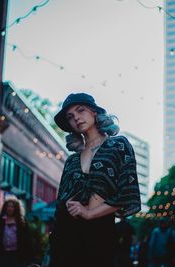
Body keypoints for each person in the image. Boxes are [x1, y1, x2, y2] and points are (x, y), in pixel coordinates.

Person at [49, 93, 141, 267]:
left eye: (80, 110)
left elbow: (128, 193)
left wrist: (89, 213)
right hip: (65, 234)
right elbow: (60, 202)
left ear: (94, 112)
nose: (76, 117)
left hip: (100, 233)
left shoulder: (118, 145)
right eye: (70, 117)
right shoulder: (72, 160)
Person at [0, 196, 34, 267]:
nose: (9, 208)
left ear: (16, 208)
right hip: (3, 253)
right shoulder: (1, 219)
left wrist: (29, 257)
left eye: (12, 207)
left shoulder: (21, 221)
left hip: (17, 254)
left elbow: (27, 239)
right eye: (8, 206)